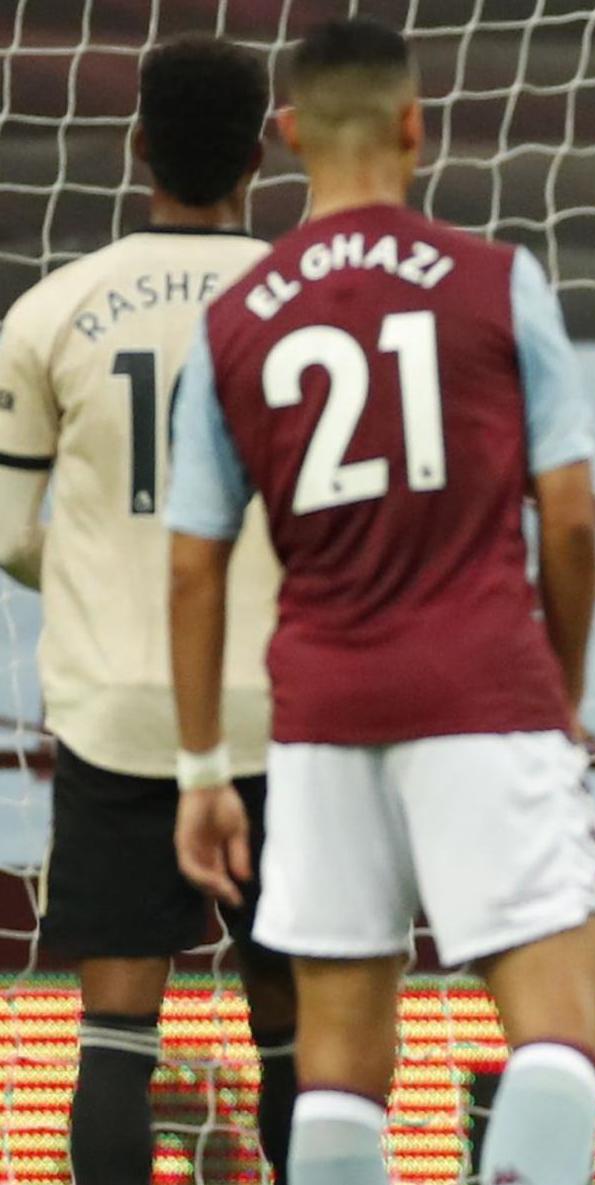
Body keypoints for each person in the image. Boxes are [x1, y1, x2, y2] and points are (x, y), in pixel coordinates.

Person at [163, 17, 595, 1185]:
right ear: (417, 126)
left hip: (319, 716)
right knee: (561, 1026)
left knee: (340, 1068)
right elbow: (568, 519)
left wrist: (205, 768)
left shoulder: (233, 320)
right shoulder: (496, 281)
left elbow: (192, 562)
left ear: (287, 134)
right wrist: (558, 688)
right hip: (482, 692)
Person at [0, 36, 297, 1185]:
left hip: (119, 710)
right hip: (284, 709)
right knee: (299, 1029)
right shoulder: (308, 306)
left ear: (135, 151)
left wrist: (95, 578)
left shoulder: (51, 312)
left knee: (115, 1041)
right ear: (266, 150)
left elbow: (13, 532)